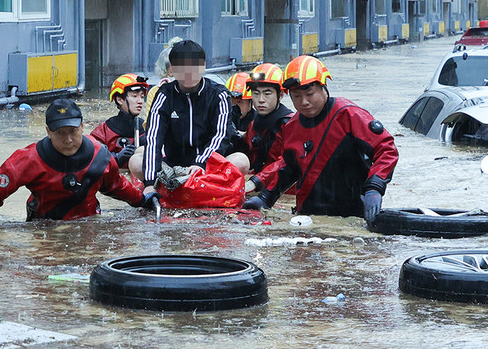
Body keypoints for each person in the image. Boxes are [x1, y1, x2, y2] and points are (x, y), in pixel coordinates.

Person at [243, 55, 398, 225]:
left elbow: (386, 149)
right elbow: (288, 167)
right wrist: (266, 197)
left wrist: (374, 187)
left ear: (324, 87)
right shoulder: (292, 127)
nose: (304, 102)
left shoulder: (348, 115)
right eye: (296, 96)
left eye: (310, 94)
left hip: (354, 214)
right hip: (310, 216)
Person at [0, 98, 152, 221]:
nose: (68, 140)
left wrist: (144, 201)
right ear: (48, 131)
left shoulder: (101, 156)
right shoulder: (27, 160)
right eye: (60, 133)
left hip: (88, 224)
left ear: (82, 126)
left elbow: (118, 186)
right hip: (43, 227)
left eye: (73, 131)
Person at [140, 40, 241, 200]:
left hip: (207, 165)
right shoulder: (164, 95)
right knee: (136, 161)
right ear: (171, 70)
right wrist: (149, 183)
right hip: (173, 165)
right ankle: (162, 188)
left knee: (241, 161)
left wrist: (201, 163)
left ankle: (204, 187)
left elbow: (221, 135)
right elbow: (154, 138)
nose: (188, 72)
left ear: (203, 66)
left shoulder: (218, 95)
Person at [239, 63, 293, 193]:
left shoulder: (290, 124)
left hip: (286, 189)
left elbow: (287, 161)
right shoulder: (254, 124)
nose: (260, 100)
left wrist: (257, 181)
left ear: (280, 95)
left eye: (267, 94)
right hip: (260, 184)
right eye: (256, 94)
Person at [90, 73, 147, 166]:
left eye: (141, 96)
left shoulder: (146, 129)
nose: (140, 101)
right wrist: (116, 158)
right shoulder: (102, 132)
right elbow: (91, 160)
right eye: (135, 96)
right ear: (120, 99)